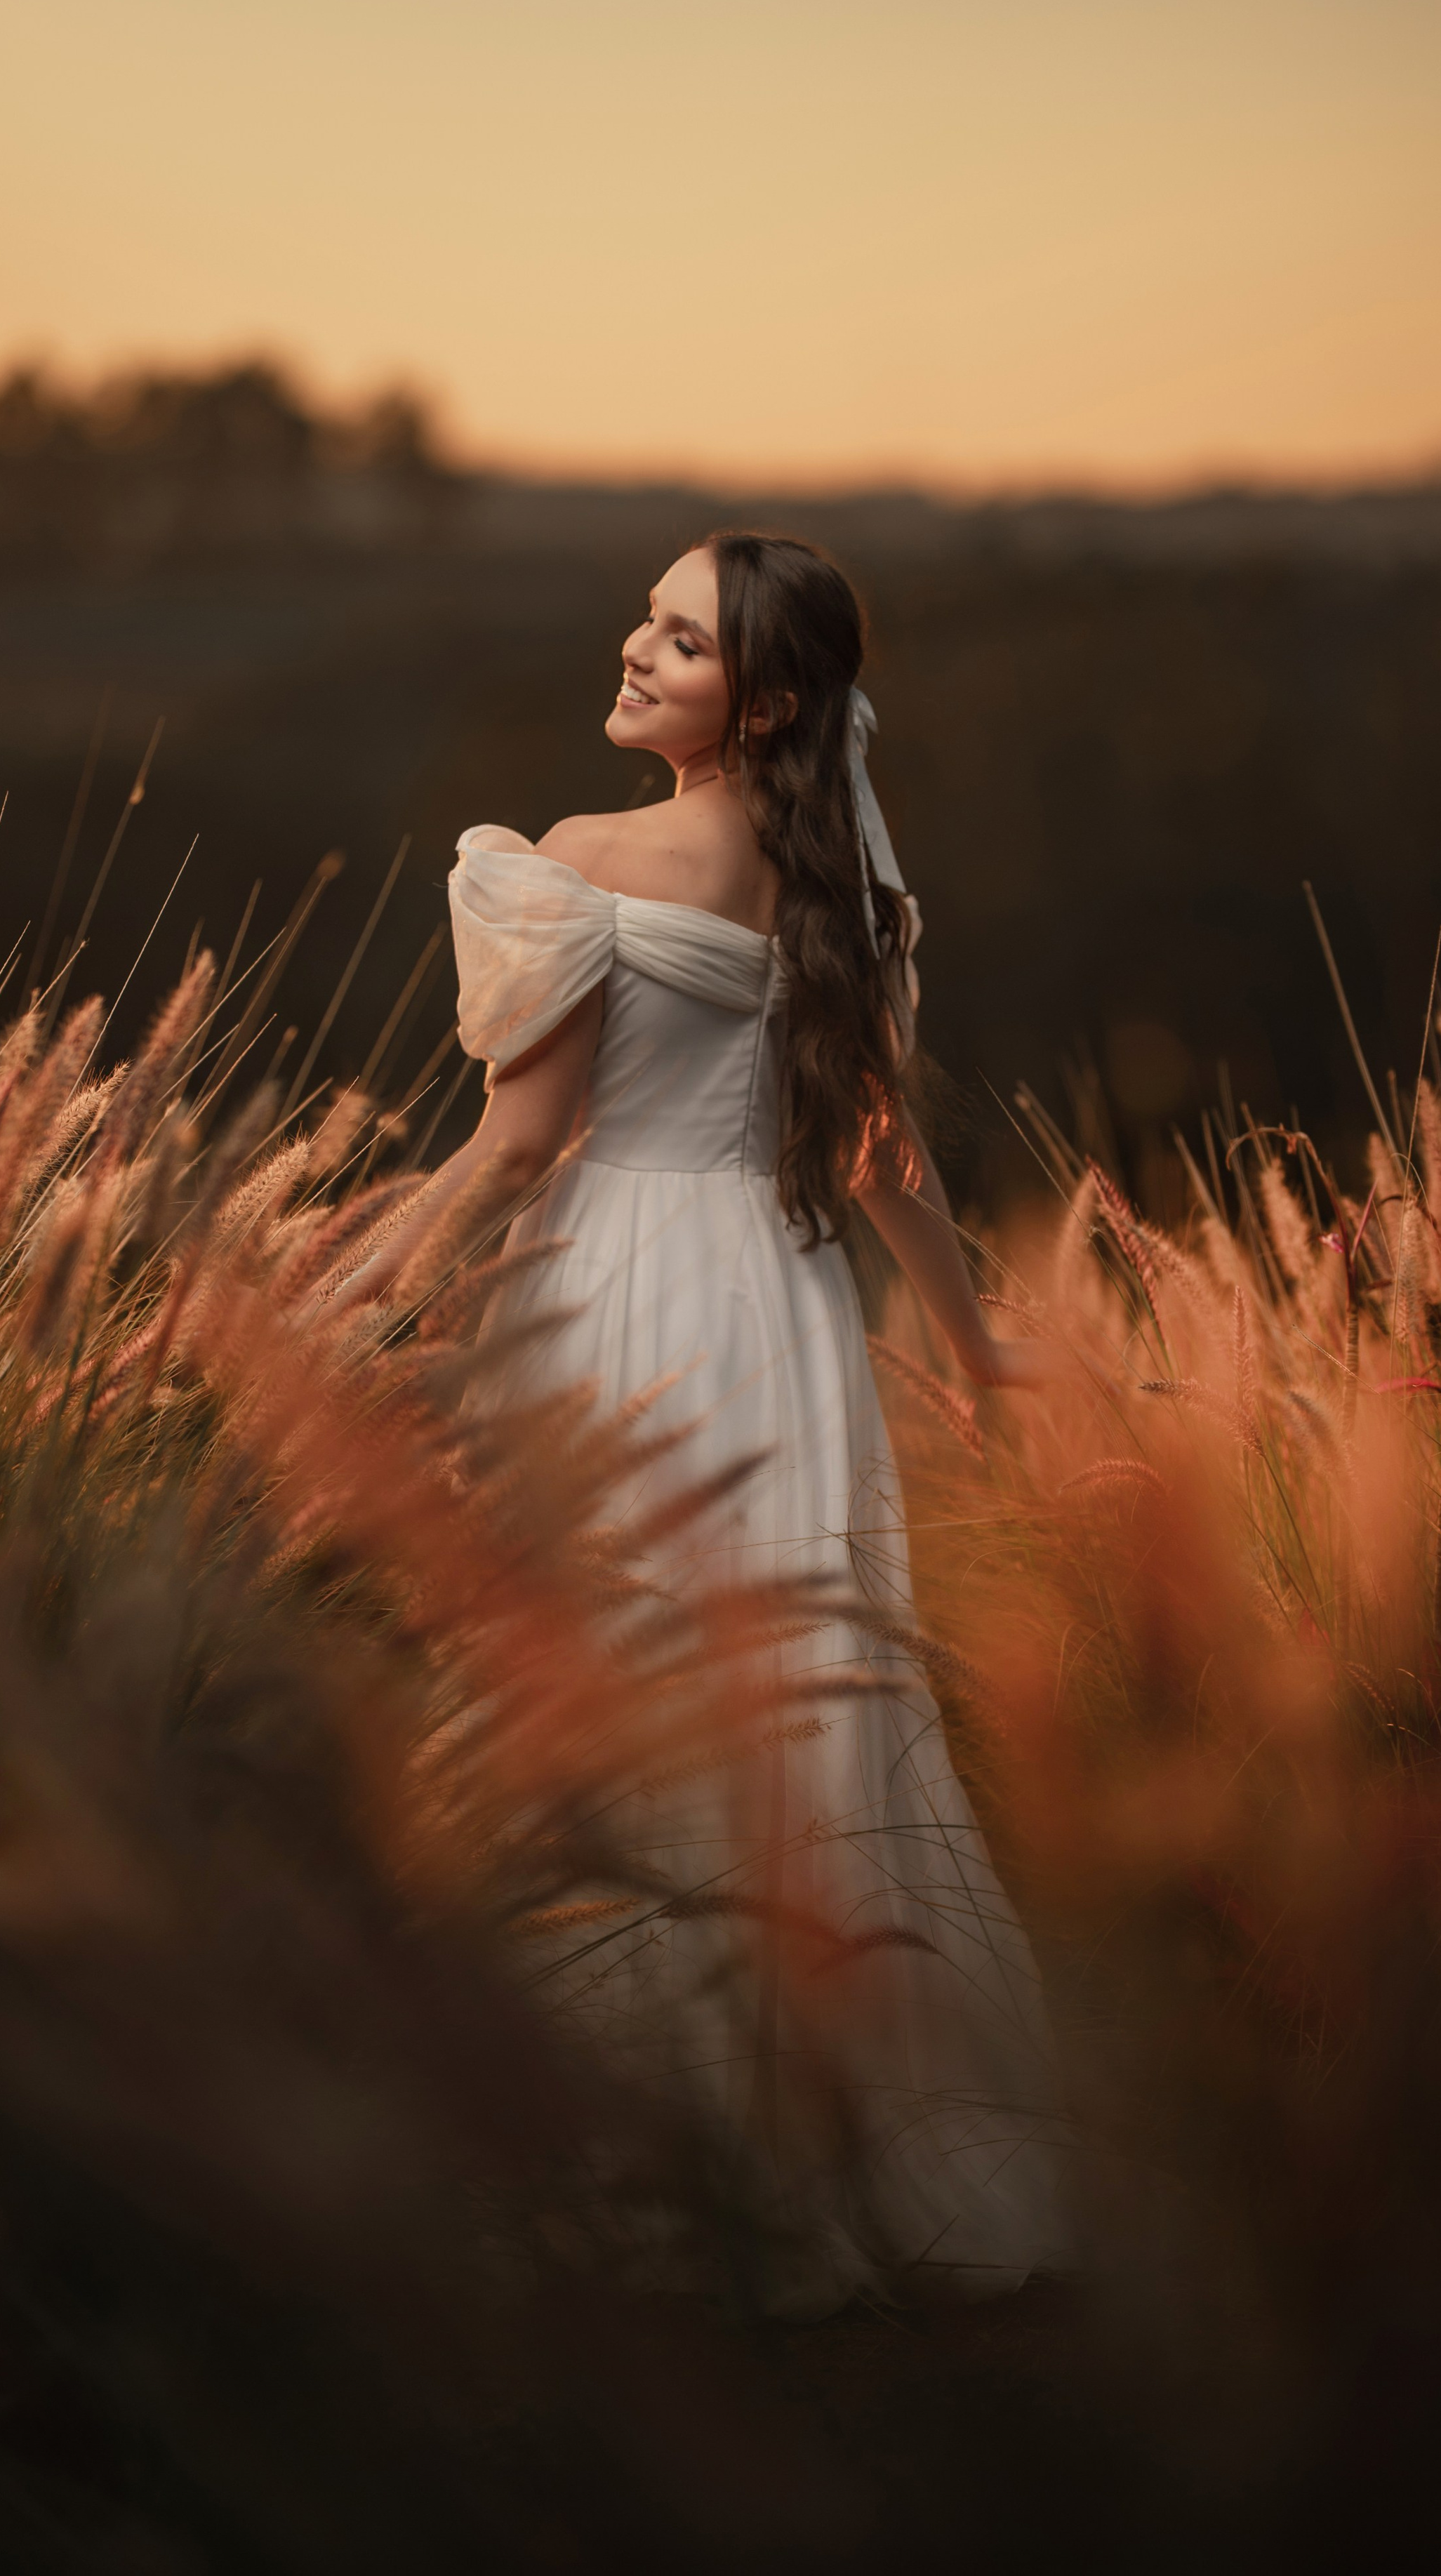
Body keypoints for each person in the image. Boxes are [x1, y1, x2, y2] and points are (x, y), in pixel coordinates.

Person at [374, 530, 1068, 2315]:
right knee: (788, 1707)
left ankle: (622, 2145)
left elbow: (510, 1151)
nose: (632, 648)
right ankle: (810, 2129)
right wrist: (979, 1355)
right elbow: (878, 1149)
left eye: (676, 642)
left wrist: (342, 1287)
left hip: (615, 1301)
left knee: (597, 1686)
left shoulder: (581, 862)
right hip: (779, 1309)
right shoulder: (843, 885)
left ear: (753, 700)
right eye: (649, 615)